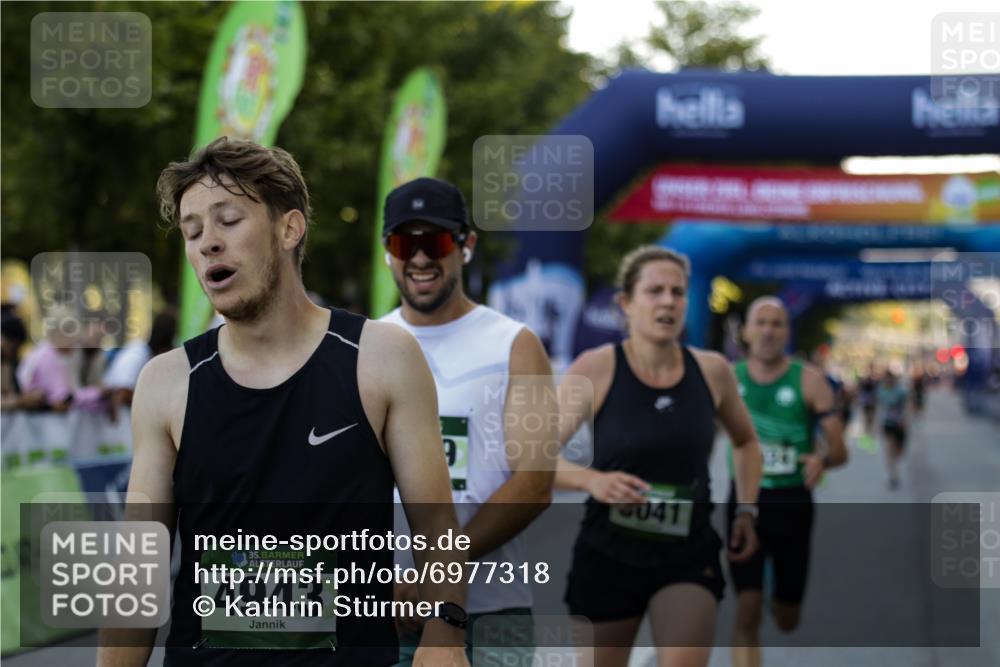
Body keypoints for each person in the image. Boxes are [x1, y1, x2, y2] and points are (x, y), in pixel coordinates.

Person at [98, 138, 470, 667]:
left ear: (289, 228)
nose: (208, 243)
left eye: (228, 220)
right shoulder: (165, 381)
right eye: (193, 230)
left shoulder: (381, 357)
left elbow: (437, 531)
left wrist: (445, 638)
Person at [554, 246, 762, 667]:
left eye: (678, 292)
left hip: (688, 553)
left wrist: (746, 510)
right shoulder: (595, 368)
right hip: (608, 553)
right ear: (626, 304)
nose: (668, 301)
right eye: (655, 291)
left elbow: (746, 443)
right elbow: (533, 457)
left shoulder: (712, 370)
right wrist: (591, 480)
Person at [379, 177, 557, 665]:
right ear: (387, 252)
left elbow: (536, 483)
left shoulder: (514, 343)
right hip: (383, 612)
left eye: (433, 241)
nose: (418, 258)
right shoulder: (365, 346)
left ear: (466, 246)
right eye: (403, 242)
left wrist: (434, 571)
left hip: (492, 613)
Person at [727, 297, 849, 667]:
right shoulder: (729, 379)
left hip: (793, 504)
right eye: (760, 322)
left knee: (786, 620)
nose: (767, 330)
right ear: (746, 331)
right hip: (745, 501)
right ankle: (754, 594)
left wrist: (822, 459)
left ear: (787, 332)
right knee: (746, 612)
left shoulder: (809, 380)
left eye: (777, 323)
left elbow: (842, 452)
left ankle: (777, 596)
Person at [1, 315, 45, 411]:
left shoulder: (8, 362)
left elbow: (8, 393)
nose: (15, 352)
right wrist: (18, 402)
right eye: (14, 347)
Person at [878, 371, 909, 490]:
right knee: (888, 450)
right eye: (886, 379)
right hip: (887, 424)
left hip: (899, 424)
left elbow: (907, 405)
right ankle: (893, 475)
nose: (888, 381)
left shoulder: (901, 391)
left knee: (899, 452)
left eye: (889, 379)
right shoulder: (881, 391)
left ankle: (894, 462)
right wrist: (878, 424)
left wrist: (905, 419)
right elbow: (879, 407)